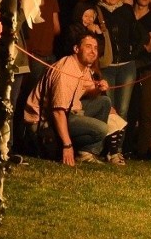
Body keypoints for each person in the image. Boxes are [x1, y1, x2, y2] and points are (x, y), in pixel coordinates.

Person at [23, 32, 112, 165]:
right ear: (76, 49)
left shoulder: (83, 68)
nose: (93, 51)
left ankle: (86, 152)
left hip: (68, 111)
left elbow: (85, 89)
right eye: (88, 47)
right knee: (102, 129)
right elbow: (58, 112)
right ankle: (68, 147)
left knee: (104, 102)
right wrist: (67, 146)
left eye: (95, 48)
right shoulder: (66, 71)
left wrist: (97, 89)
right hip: (44, 123)